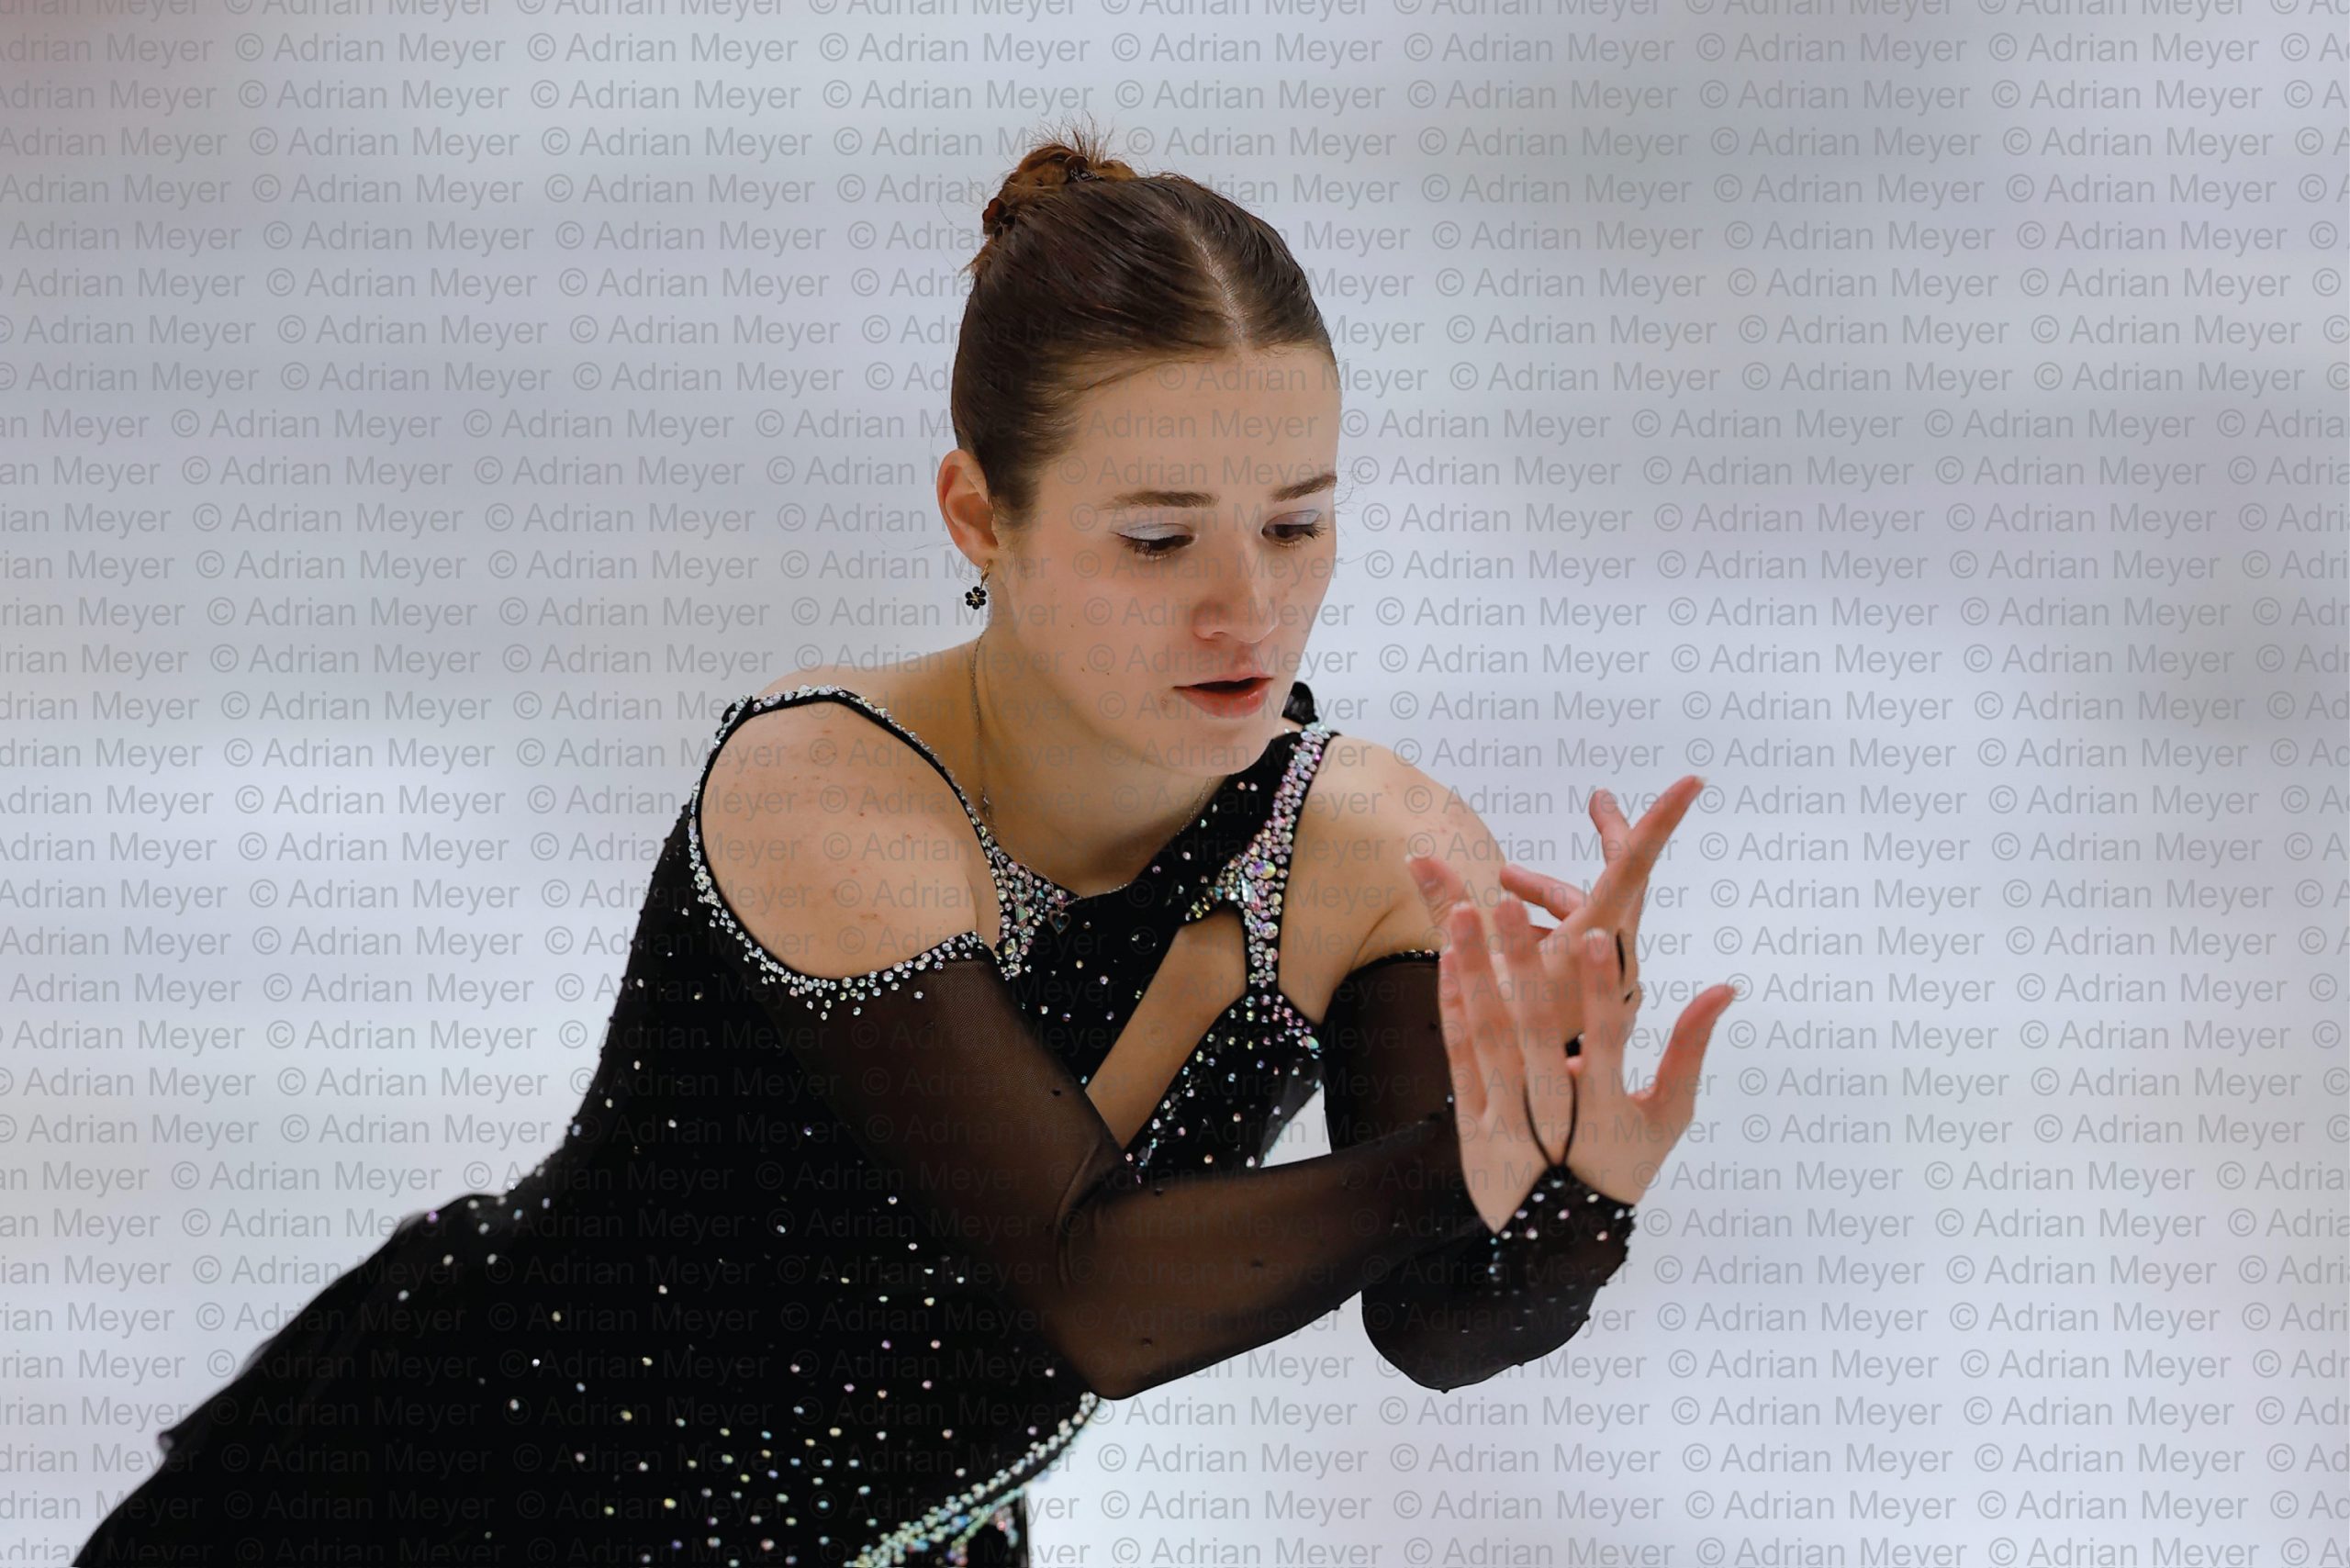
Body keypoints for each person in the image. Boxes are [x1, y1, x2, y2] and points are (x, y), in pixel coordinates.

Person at [75, 130, 1732, 1568]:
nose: (1250, 604)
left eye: (1296, 521)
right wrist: (1469, 1164)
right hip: (451, 1509)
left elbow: (1437, 1322)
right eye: (1158, 538)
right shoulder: (828, 791)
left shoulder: (1378, 852)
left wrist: (1573, 1183)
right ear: (977, 516)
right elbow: (1093, 1292)